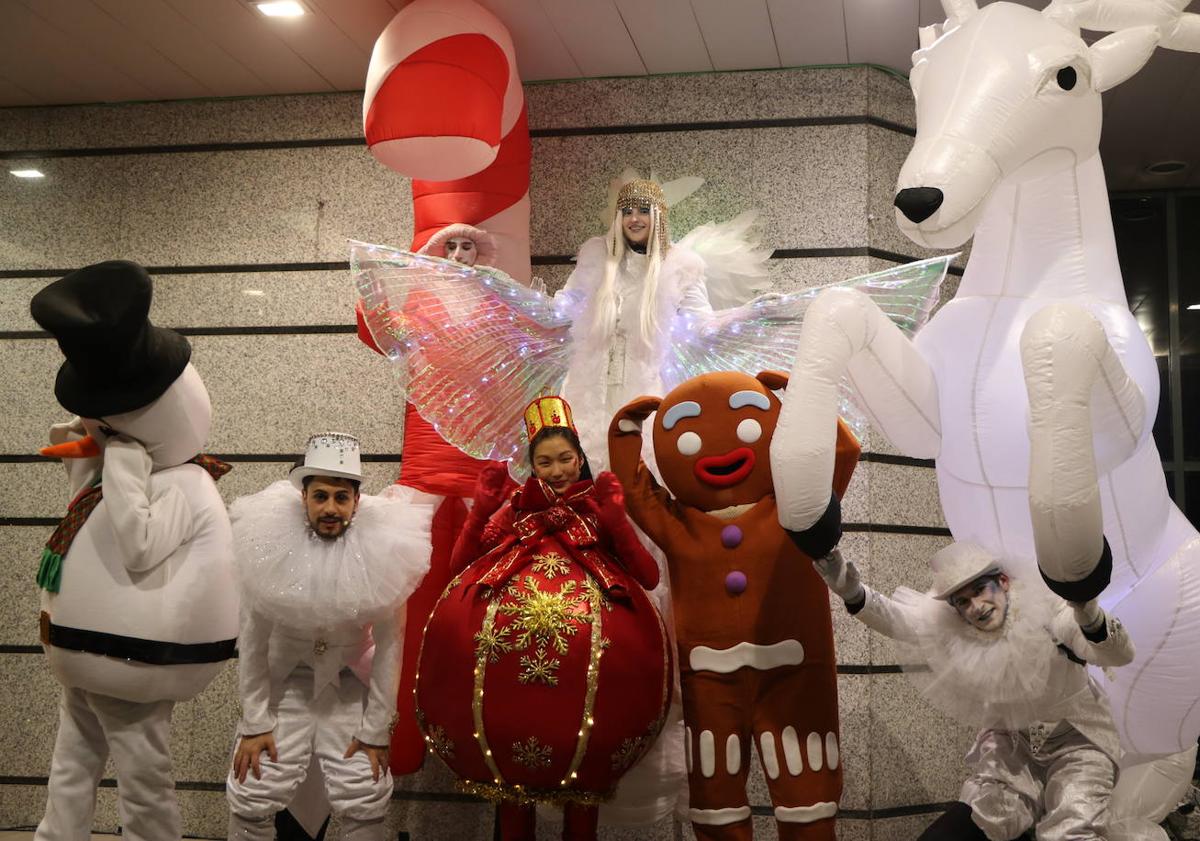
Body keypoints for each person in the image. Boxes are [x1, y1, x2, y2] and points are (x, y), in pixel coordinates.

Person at [30, 260, 238, 841]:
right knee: (72, 761)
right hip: (87, 654)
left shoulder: (184, 483)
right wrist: (99, 455)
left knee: (142, 770)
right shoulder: (125, 470)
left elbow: (140, 545)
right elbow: (88, 513)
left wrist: (121, 462)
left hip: (129, 659)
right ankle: (57, 834)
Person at [414, 396, 672, 841]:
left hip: (594, 683)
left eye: (565, 459)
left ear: (580, 459)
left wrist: (615, 518)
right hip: (504, 689)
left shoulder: (595, 510)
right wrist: (481, 508)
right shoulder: (516, 510)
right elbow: (459, 566)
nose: (557, 471)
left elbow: (646, 576)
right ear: (532, 465)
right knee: (511, 792)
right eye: (544, 461)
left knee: (583, 792)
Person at [815, 540, 1134, 841]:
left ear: (1004, 582)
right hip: (1013, 746)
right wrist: (852, 590)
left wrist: (1089, 616)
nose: (976, 607)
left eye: (981, 590)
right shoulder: (960, 631)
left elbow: (1118, 654)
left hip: (1078, 742)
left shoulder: (1049, 614)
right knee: (977, 825)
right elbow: (901, 620)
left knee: (1069, 831)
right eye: (963, 601)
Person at [225, 433, 433, 841]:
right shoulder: (267, 543)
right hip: (284, 685)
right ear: (303, 498)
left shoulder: (385, 549)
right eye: (320, 496)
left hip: (349, 683)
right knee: (253, 791)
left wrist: (376, 730)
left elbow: (393, 645)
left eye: (341, 497)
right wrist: (255, 722)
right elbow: (251, 639)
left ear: (357, 501)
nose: (330, 509)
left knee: (365, 795)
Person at [559, 175, 716, 471]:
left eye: (643, 211)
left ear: (657, 216)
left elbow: (701, 321)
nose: (634, 219)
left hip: (646, 384)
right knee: (587, 462)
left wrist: (746, 318)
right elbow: (567, 304)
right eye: (627, 211)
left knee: (641, 466)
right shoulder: (596, 258)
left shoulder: (680, 266)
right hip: (588, 384)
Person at [416, 222, 498, 268]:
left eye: (466, 247)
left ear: (477, 251)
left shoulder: (490, 284)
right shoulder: (432, 282)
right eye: (451, 247)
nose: (457, 255)